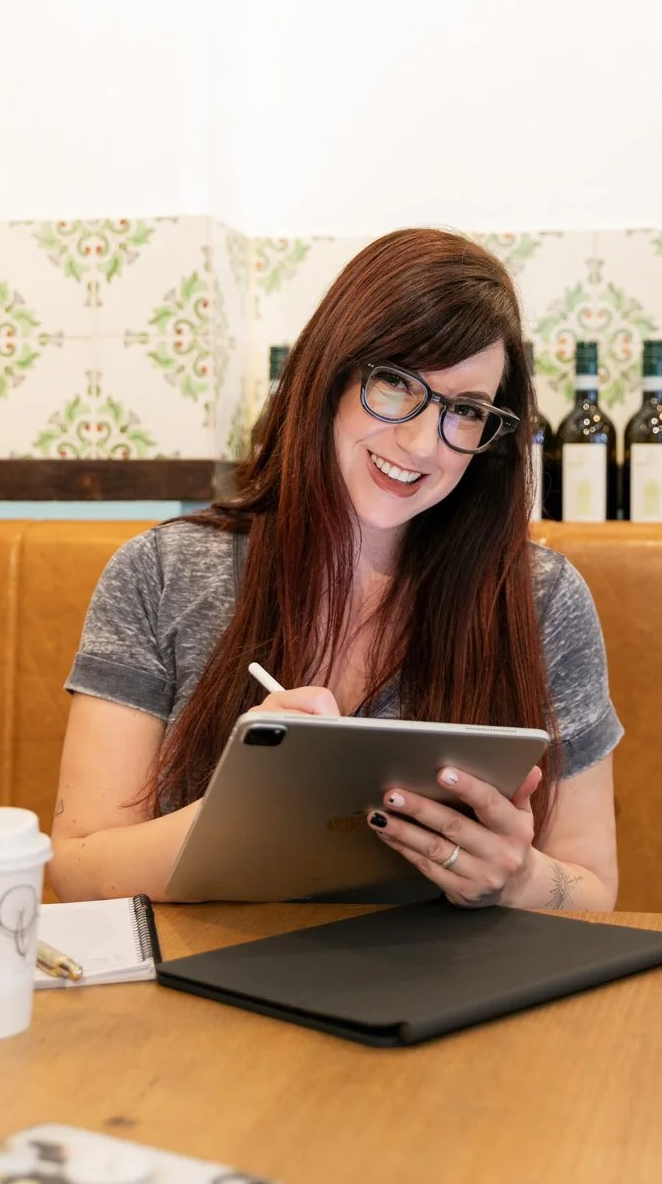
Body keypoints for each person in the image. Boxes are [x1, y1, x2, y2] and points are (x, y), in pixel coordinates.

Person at [49, 229, 621, 911]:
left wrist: (520, 879)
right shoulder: (163, 574)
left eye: (464, 412)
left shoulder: (540, 599)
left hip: (447, 997)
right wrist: (245, 808)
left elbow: (594, 890)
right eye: (395, 384)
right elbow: (78, 867)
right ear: (331, 376)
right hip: (217, 992)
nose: (418, 443)